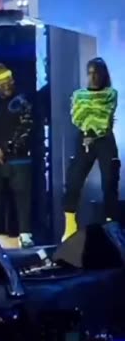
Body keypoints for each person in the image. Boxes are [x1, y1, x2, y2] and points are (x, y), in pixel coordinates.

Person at [62, 58, 120, 241]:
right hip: (84, 138)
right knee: (73, 180)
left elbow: (104, 116)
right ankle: (70, 226)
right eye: (90, 73)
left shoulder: (111, 93)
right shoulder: (78, 95)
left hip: (104, 139)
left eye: (97, 73)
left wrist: (92, 131)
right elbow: (77, 116)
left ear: (103, 75)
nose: (93, 77)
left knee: (109, 181)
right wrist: (88, 129)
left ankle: (112, 225)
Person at [0, 64, 35, 248]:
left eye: (9, 80)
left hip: (18, 159)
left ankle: (25, 234)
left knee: (22, 197)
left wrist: (5, 149)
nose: (7, 85)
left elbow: (26, 129)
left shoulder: (22, 102)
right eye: (2, 82)